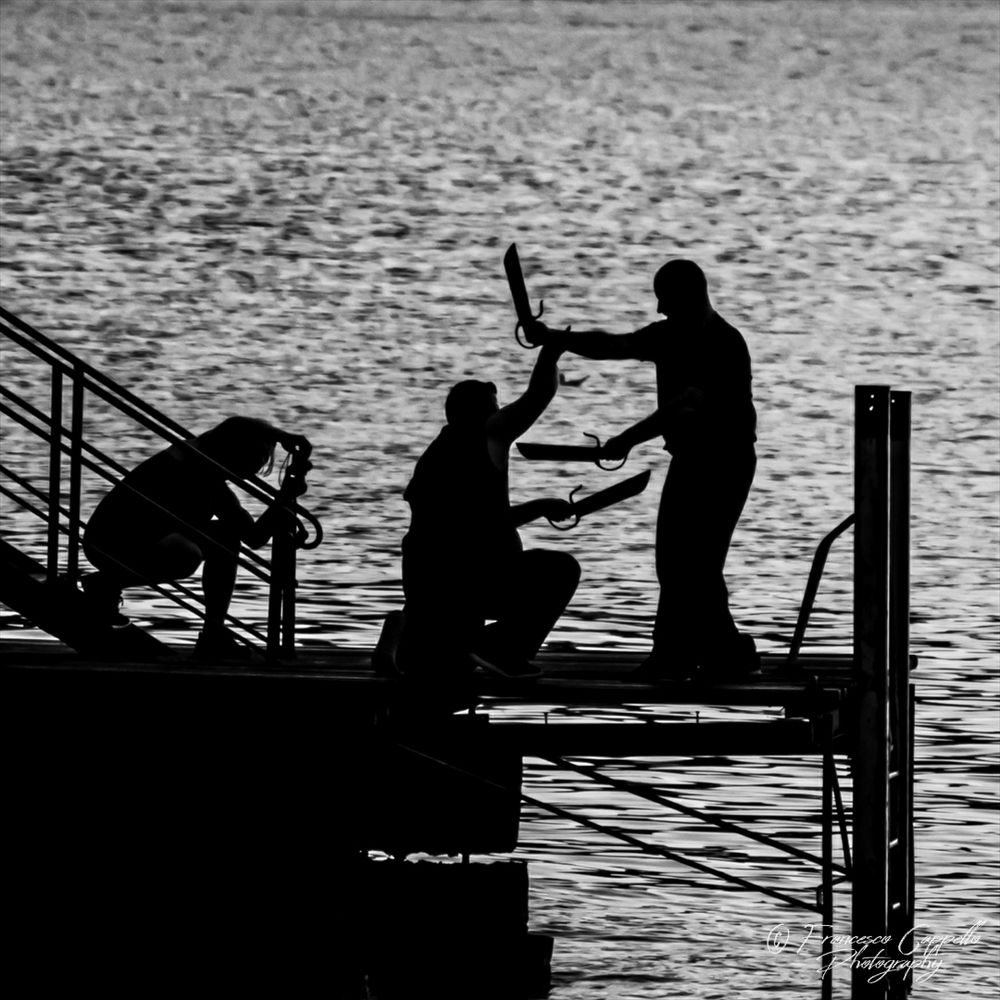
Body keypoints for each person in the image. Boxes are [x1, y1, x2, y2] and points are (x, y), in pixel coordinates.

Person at [525, 258, 759, 680]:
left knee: (699, 564)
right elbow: (614, 346)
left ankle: (708, 654)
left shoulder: (723, 343)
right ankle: (690, 654)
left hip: (726, 463)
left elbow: (686, 405)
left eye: (664, 300)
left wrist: (626, 440)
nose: (658, 310)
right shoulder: (668, 335)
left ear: (689, 294)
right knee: (676, 563)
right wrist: (555, 339)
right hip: (691, 460)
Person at [398, 343, 581, 680]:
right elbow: (538, 395)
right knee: (561, 569)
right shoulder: (488, 436)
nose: (503, 413)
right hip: (468, 582)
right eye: (496, 407)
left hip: (430, 584)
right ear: (485, 414)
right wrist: (550, 354)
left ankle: (462, 644)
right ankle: (500, 648)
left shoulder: (436, 452)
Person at [82, 416, 312, 659]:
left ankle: (213, 633)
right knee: (186, 555)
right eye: (252, 462)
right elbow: (234, 429)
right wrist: (283, 481)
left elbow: (253, 537)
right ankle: (106, 583)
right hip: (110, 541)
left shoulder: (209, 473)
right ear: (233, 451)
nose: (251, 473)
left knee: (224, 537)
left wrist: (286, 490)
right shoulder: (186, 464)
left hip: (141, 541)